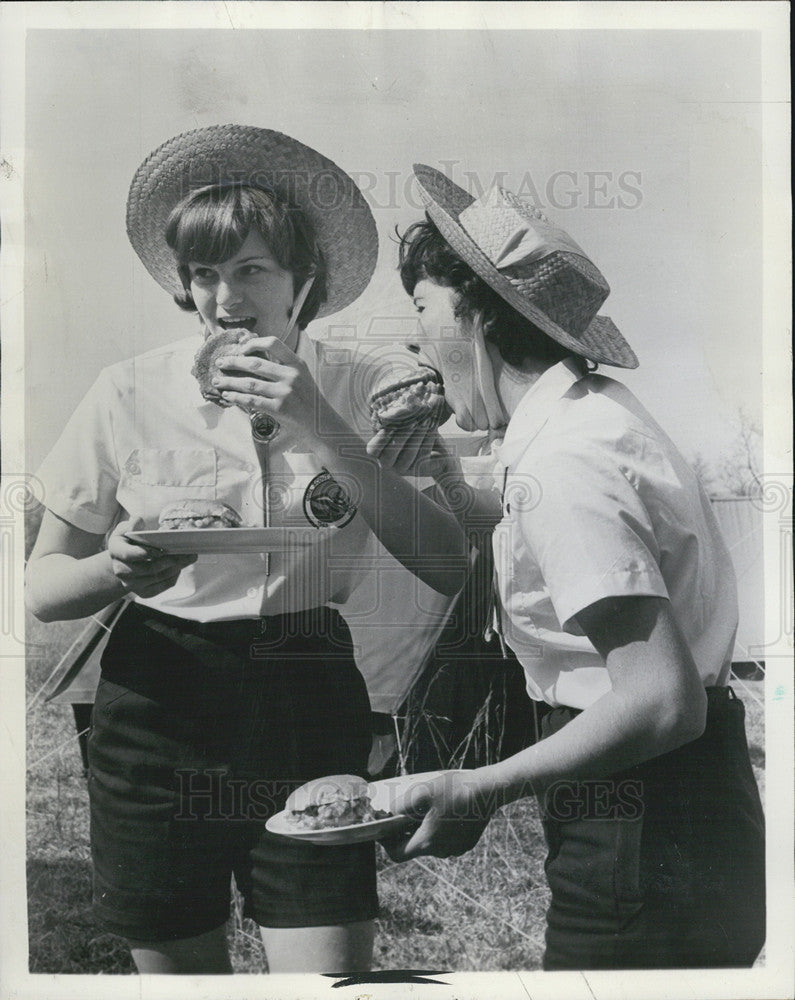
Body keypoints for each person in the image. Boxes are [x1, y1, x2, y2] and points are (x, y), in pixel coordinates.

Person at [25, 126, 468, 975]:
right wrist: (113, 567)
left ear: (305, 283)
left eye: (251, 270)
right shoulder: (127, 391)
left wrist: (322, 426)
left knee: (331, 978)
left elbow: (447, 565)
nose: (222, 296)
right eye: (202, 273)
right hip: (158, 691)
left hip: (305, 685)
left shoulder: (368, 386)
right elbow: (43, 588)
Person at [378, 166, 766, 970]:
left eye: (422, 307)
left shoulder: (566, 460)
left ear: (477, 315)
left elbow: (662, 703)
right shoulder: (589, 419)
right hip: (680, 812)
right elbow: (543, 552)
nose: (415, 340)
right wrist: (440, 472)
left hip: (644, 819)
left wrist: (478, 786)